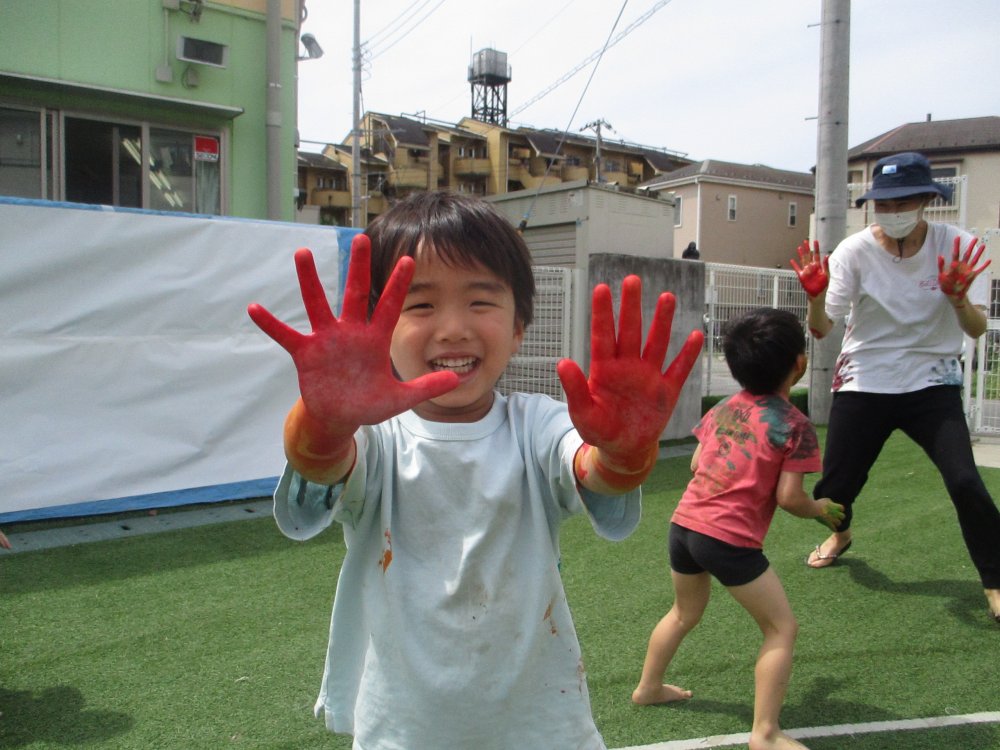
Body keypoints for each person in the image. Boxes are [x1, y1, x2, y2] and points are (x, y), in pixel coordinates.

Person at [247, 191, 704, 749]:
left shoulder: (535, 424)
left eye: (481, 301)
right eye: (420, 305)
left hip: (542, 728)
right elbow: (321, 470)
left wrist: (627, 451)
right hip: (403, 730)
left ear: (518, 326)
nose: (453, 328)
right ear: (380, 327)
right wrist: (322, 420)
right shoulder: (376, 440)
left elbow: (594, 470)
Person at [790, 151, 1000, 624]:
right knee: (836, 488)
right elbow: (823, 330)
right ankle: (841, 535)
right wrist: (816, 298)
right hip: (866, 376)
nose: (893, 211)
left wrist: (958, 299)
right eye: (883, 203)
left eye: (904, 200)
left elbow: (977, 329)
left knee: (965, 481)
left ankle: (995, 580)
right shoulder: (853, 251)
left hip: (932, 379)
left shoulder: (958, 245)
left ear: (927, 199)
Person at [632, 307, 843, 750]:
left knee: (683, 613)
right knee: (781, 628)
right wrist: (821, 508)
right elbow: (790, 498)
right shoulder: (796, 426)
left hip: (684, 527)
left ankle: (648, 687)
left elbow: (695, 463)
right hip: (728, 540)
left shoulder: (725, 407)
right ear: (799, 364)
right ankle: (764, 733)